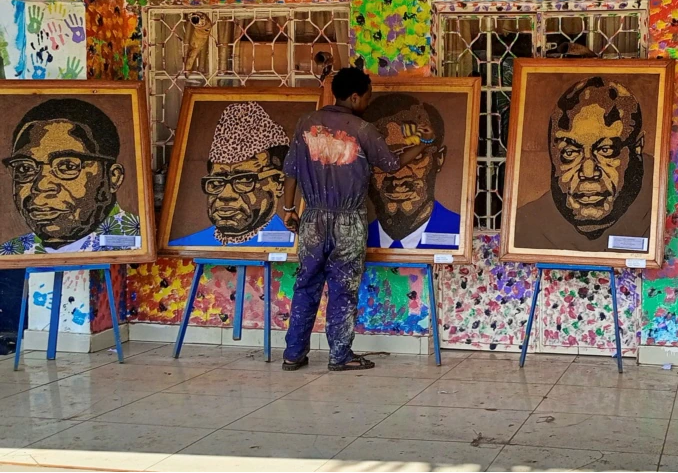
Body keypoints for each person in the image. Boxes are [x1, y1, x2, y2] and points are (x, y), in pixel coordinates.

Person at [281, 67, 432, 371]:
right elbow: (390, 163)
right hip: (348, 221)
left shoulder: (306, 124)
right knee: (343, 287)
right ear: (354, 96)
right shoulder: (361, 129)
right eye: (367, 96)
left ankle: (293, 354)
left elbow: (291, 172)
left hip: (312, 218)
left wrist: (288, 210)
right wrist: (422, 145)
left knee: (305, 284)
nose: (367, 102)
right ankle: (339, 355)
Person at [515, 76, 652, 252]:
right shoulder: (528, 225)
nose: (588, 172)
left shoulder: (669, 211)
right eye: (570, 152)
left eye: (606, 150)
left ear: (637, 148)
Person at [1, 99, 139, 255]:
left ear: (113, 177)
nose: (41, 185)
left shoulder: (135, 243)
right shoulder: (11, 254)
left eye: (67, 166)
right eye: (24, 167)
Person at [168, 102, 293, 247]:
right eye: (217, 182)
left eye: (244, 180)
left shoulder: (292, 244)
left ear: (277, 184)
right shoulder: (189, 245)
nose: (226, 195)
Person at [363, 94, 460, 250]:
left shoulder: (459, 229)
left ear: (439, 159)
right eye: (382, 160)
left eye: (417, 156)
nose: (399, 175)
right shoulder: (357, 238)